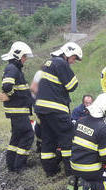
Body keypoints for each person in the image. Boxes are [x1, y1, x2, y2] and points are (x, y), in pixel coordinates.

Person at [34, 42, 82, 177]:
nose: (73, 62)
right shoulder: (61, 63)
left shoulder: (47, 63)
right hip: (56, 108)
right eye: (73, 58)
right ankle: (70, 171)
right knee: (68, 136)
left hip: (42, 109)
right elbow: (72, 85)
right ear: (68, 54)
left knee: (48, 138)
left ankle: (50, 170)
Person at [67, 93, 106, 190]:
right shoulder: (104, 130)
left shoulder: (80, 121)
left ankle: (76, 181)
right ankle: (90, 186)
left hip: (74, 166)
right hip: (91, 171)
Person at [0, 41, 34, 172]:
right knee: (28, 135)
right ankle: (20, 165)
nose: (25, 59)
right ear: (18, 55)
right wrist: (11, 96)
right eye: (24, 56)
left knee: (17, 136)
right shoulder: (12, 68)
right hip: (18, 110)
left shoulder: (14, 68)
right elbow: (7, 86)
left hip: (18, 110)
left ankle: (12, 164)